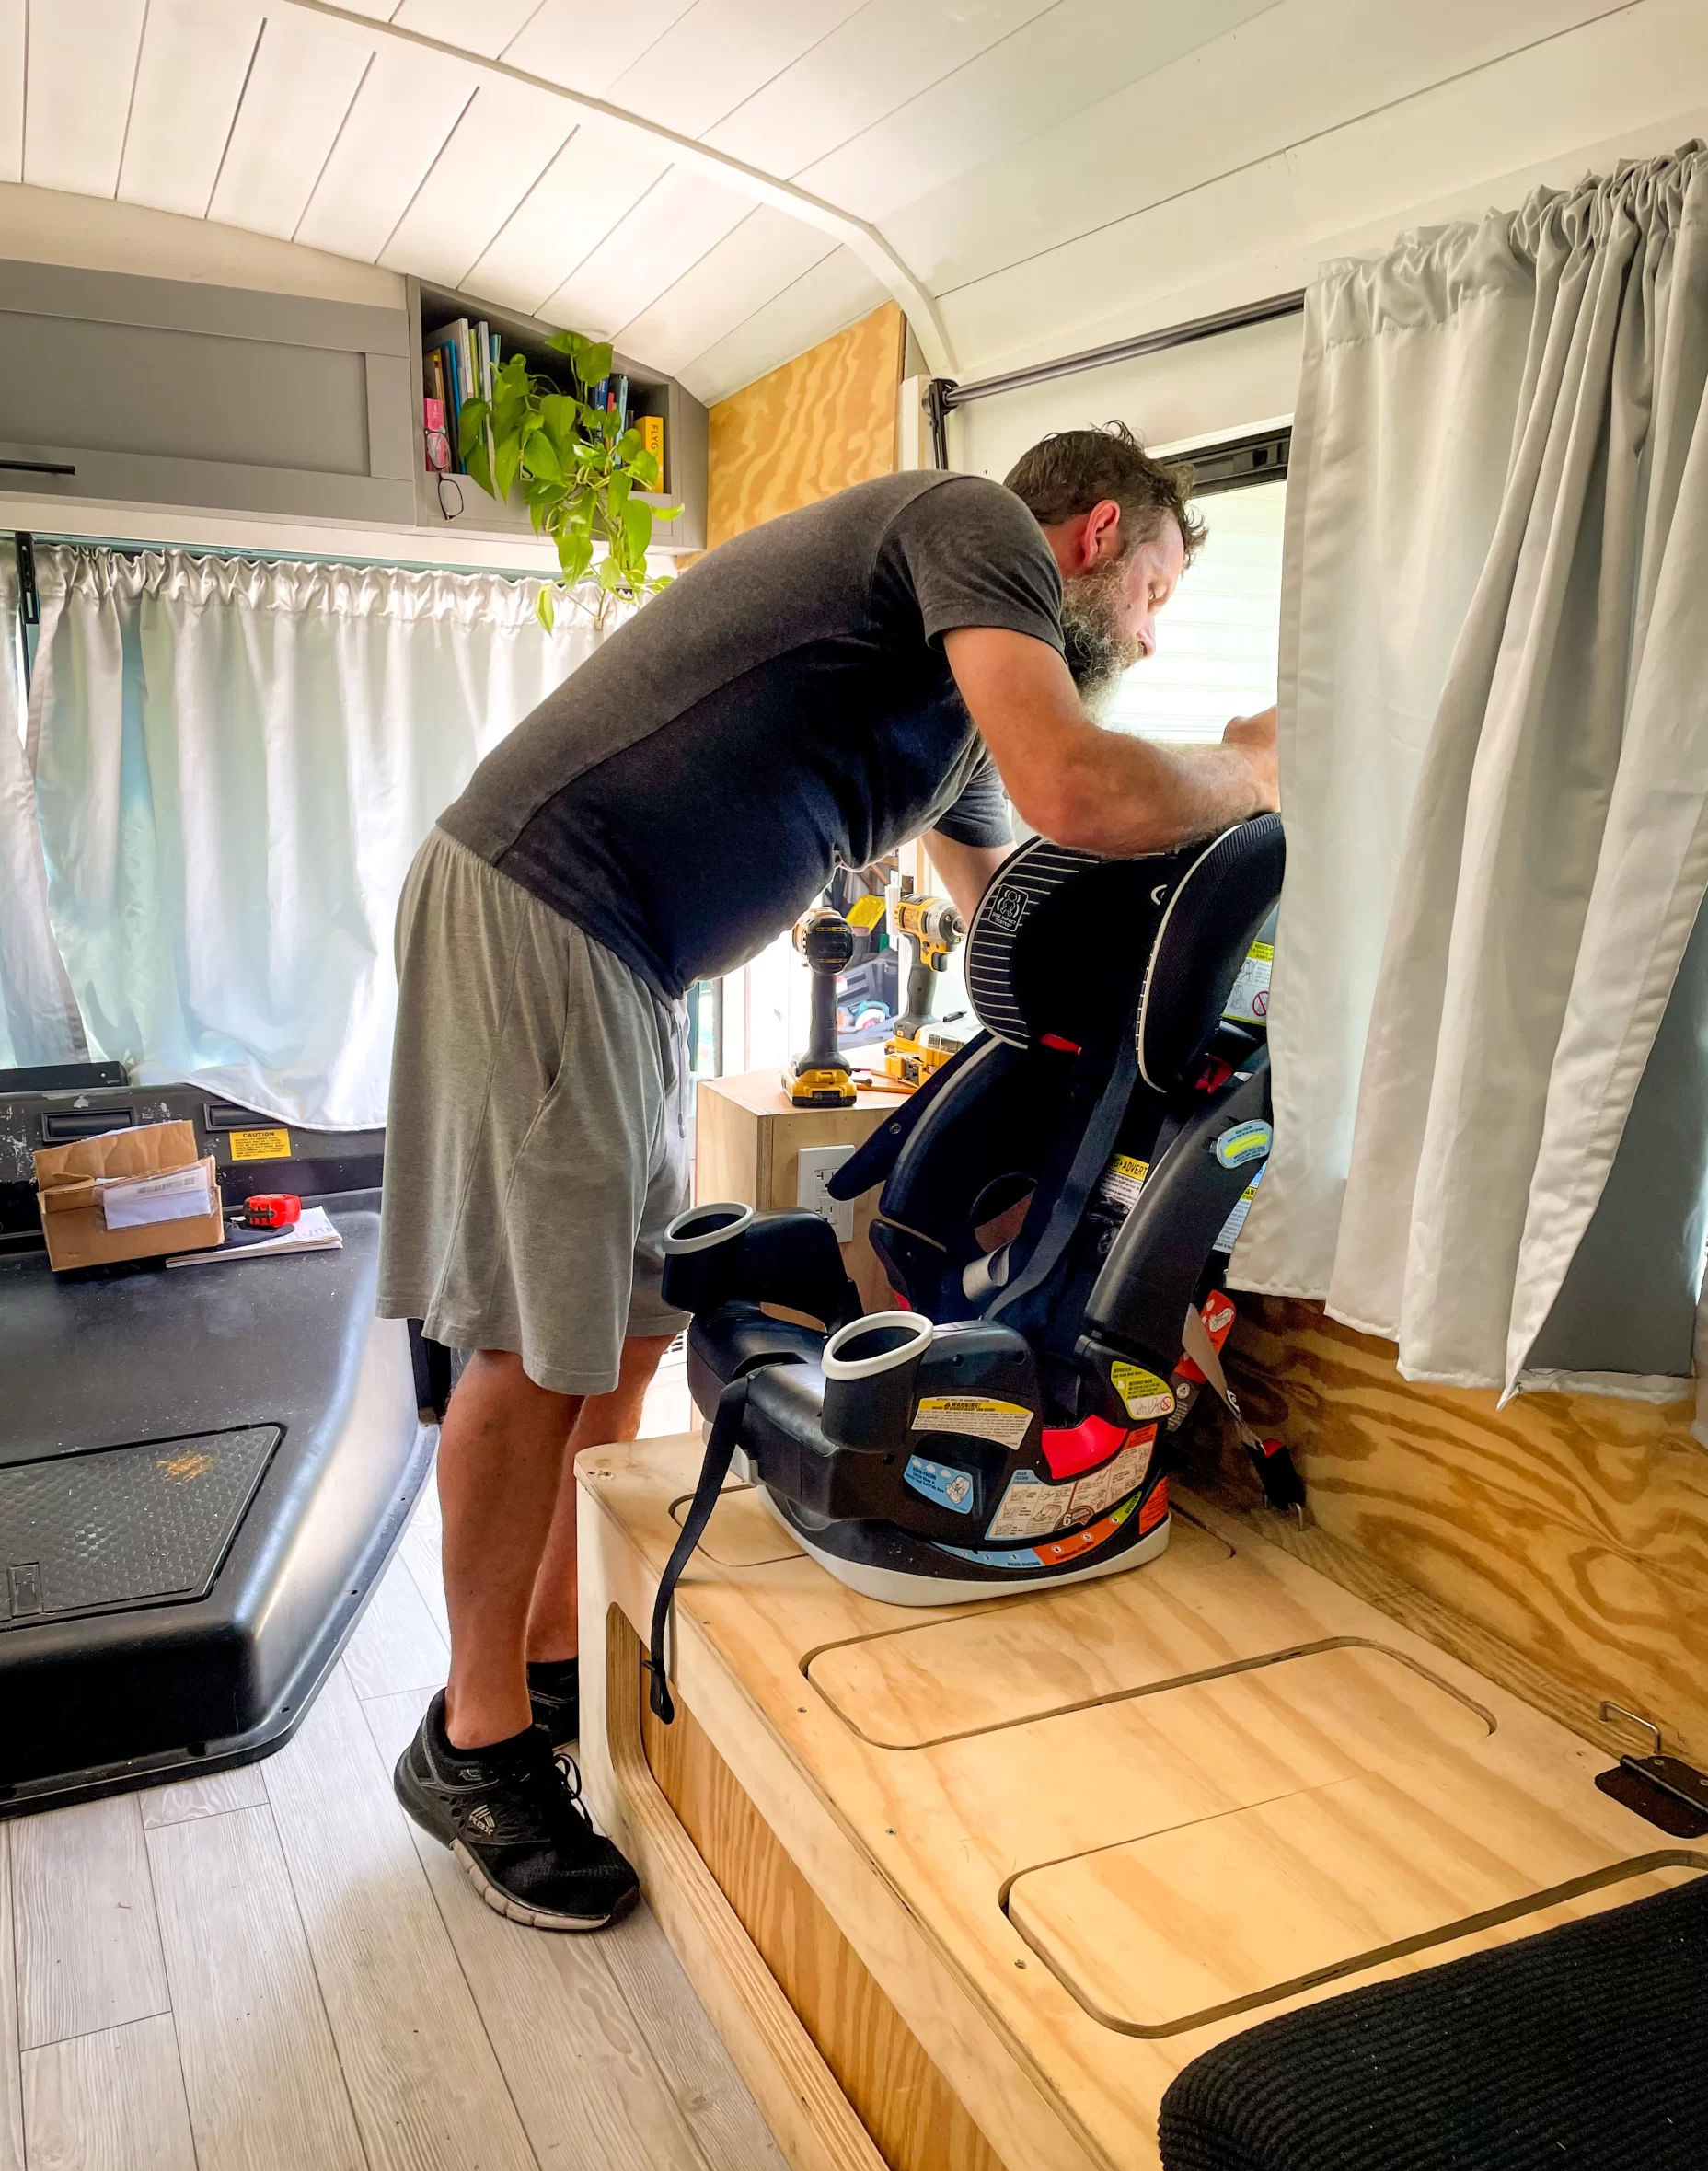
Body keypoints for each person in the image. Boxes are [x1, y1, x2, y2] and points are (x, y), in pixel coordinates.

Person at [377, 421, 1279, 1931]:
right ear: (1095, 533)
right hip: (547, 899)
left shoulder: (954, 724)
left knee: (638, 1313)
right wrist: (1251, 771)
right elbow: (1081, 787)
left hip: (628, 958)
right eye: (1157, 591)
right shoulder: (970, 520)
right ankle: (469, 1745)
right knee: (536, 1342)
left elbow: (1021, 934)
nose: (1148, 628)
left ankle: (538, 1664)